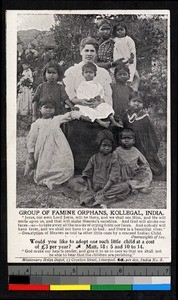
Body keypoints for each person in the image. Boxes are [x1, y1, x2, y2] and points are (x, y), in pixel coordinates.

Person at [24, 97, 81, 190]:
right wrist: (30, 154)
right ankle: (45, 177)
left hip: (58, 146)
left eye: (51, 108)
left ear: (54, 110)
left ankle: (60, 177)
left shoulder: (56, 119)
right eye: (46, 107)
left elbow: (69, 115)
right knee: (45, 164)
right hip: (43, 149)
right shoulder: (37, 124)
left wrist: (77, 112)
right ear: (40, 109)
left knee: (63, 159)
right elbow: (31, 140)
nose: (48, 110)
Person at [80, 130, 131, 207]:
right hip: (95, 185)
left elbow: (113, 178)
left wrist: (103, 190)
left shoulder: (114, 159)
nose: (107, 148)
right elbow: (87, 173)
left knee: (125, 187)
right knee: (77, 184)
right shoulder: (94, 158)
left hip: (108, 186)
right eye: (104, 145)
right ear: (99, 145)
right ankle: (98, 197)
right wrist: (90, 187)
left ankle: (99, 197)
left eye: (109, 146)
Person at [63, 36, 113, 106]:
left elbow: (108, 95)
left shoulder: (103, 73)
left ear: (96, 53)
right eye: (86, 50)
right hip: (78, 107)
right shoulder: (72, 71)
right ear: (81, 52)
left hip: (99, 108)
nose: (89, 54)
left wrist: (99, 102)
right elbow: (69, 92)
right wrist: (79, 101)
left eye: (92, 51)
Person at [123, 91, 163, 176]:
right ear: (129, 102)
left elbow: (151, 133)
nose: (136, 104)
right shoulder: (126, 115)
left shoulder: (144, 117)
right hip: (129, 142)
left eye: (139, 102)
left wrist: (151, 145)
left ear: (143, 104)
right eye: (134, 101)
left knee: (144, 159)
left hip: (142, 143)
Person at [74, 62, 123, 128]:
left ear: (95, 74)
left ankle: (113, 121)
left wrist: (98, 99)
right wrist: (88, 100)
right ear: (83, 74)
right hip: (86, 103)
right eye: (86, 72)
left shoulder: (97, 84)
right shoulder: (82, 84)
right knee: (88, 111)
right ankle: (100, 122)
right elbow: (80, 94)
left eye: (91, 72)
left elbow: (101, 93)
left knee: (106, 107)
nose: (88, 74)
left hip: (96, 103)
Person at [114, 128, 153, 194]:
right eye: (124, 138)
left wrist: (142, 169)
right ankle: (133, 187)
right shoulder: (117, 150)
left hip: (134, 173)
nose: (126, 140)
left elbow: (144, 162)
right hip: (123, 174)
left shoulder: (135, 150)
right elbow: (112, 162)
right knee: (121, 183)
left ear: (134, 141)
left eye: (129, 138)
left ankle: (140, 187)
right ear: (120, 141)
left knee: (147, 172)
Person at [113, 22, 140, 90]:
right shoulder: (115, 40)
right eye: (118, 30)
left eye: (122, 29)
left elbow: (132, 49)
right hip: (118, 59)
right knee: (118, 72)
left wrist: (132, 57)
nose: (120, 32)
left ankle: (130, 82)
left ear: (125, 30)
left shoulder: (128, 39)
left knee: (130, 70)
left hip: (128, 59)